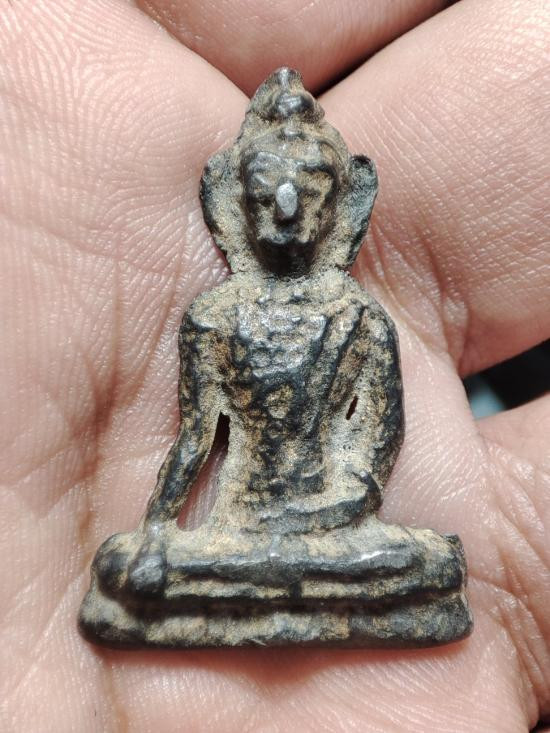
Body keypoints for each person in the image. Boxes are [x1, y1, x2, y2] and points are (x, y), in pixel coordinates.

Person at [1, 0, 548, 730]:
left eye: (307, 192)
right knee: (126, 566)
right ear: (233, 201)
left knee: (431, 562)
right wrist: (159, 528)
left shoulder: (358, 319)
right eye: (266, 193)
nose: (286, 208)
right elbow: (196, 439)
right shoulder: (214, 317)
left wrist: (334, 509)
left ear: (342, 205)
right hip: (237, 531)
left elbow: (373, 449)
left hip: (338, 533)